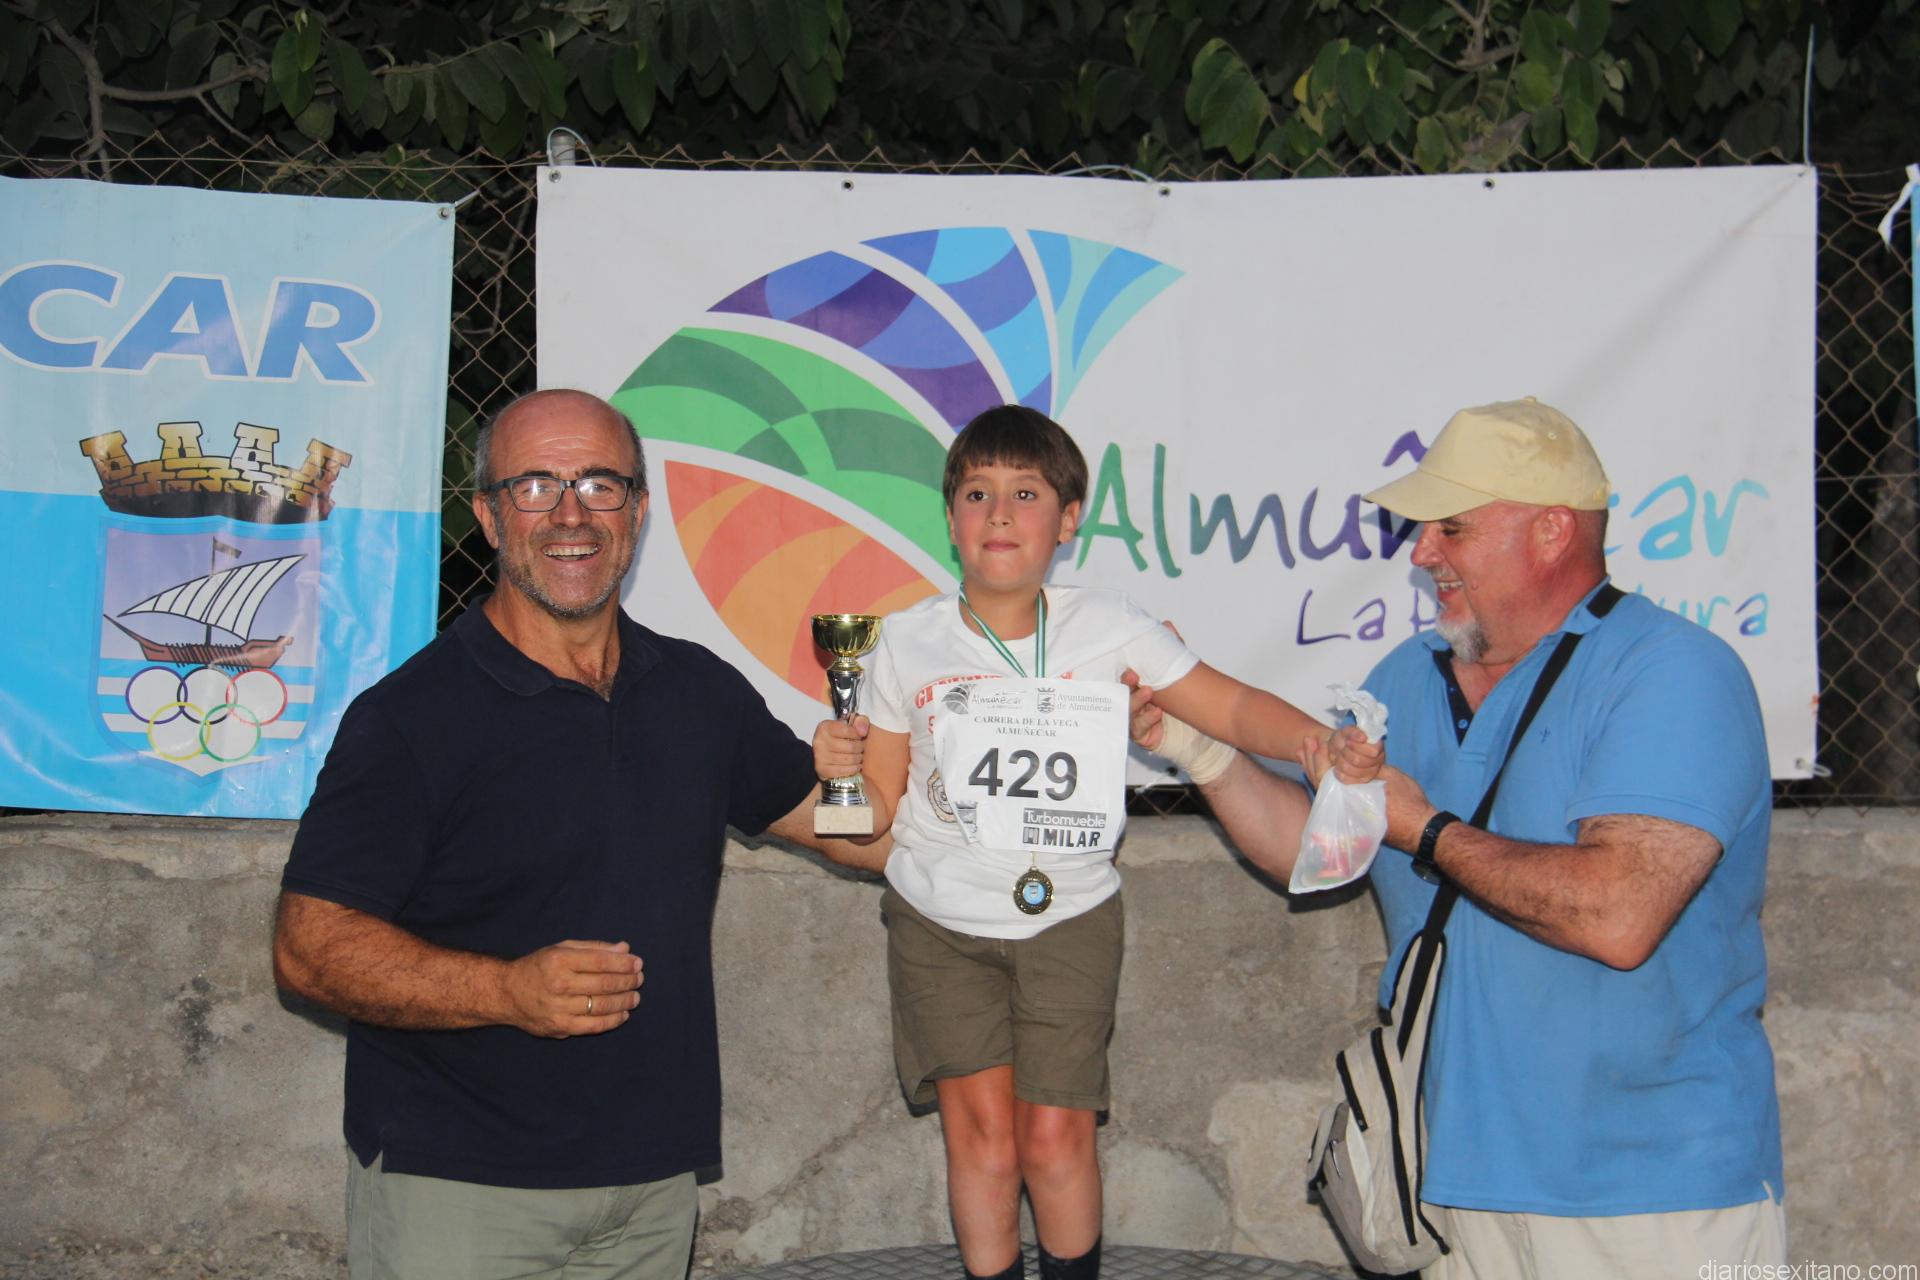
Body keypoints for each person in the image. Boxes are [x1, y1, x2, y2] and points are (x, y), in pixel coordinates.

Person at [1143, 398, 1785, 1279]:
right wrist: (1199, 748)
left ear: (1552, 531)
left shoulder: (1672, 670)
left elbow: (1618, 915)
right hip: (1449, 1183)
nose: (1421, 554)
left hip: (1647, 1192)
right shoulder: (1407, 676)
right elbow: (1317, 851)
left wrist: (1425, 828)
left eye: (1452, 528)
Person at [272, 388, 879, 1280]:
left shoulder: (697, 691)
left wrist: (1023, 808)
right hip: (461, 1186)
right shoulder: (409, 718)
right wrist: (506, 991)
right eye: (535, 486)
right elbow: (307, 952)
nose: (571, 515)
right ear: (488, 516)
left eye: (600, 484)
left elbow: (851, 828)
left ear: (638, 509)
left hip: (651, 1185)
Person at [811, 405, 1368, 1280]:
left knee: (1055, 1134)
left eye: (1026, 494)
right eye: (977, 494)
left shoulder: (1109, 625)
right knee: (982, 1139)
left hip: (1068, 916)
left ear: (1068, 520)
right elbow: (874, 809)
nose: (1000, 514)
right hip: (937, 921)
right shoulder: (904, 643)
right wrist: (836, 772)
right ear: (950, 517)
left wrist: (1313, 742)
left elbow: (1226, 704)